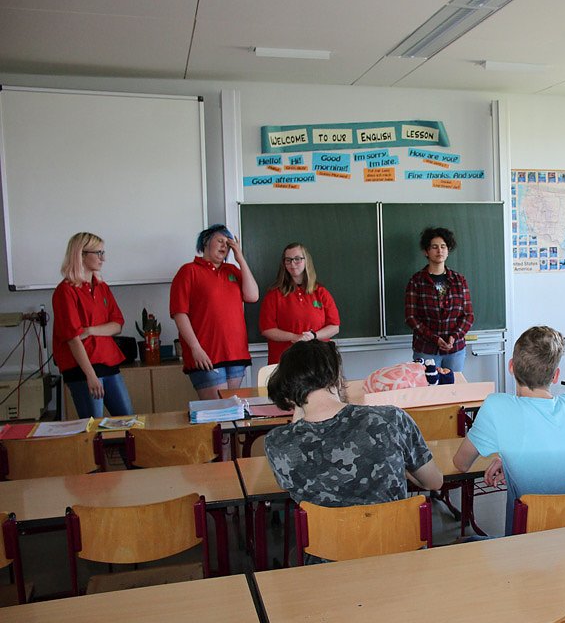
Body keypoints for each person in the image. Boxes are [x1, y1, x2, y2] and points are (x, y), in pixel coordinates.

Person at [264, 340, 443, 563]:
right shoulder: (391, 419)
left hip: (328, 563)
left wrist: (299, 410)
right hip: (397, 553)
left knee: (294, 555)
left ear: (288, 387)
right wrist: (401, 464)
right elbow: (434, 482)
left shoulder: (278, 443)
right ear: (337, 376)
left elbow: (291, 484)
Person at [453, 326, 565, 535]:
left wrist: (506, 456)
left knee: (466, 543)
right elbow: (547, 441)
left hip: (529, 542)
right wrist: (508, 458)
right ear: (555, 376)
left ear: (511, 367)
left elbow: (461, 463)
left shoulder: (496, 406)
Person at [170, 224, 259, 399]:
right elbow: (179, 314)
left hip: (235, 353)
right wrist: (195, 348)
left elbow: (252, 296)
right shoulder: (188, 271)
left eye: (228, 243)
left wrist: (240, 258)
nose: (224, 246)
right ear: (205, 242)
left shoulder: (232, 271)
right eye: (220, 241)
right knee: (217, 409)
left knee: (232, 409)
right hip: (206, 354)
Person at [52, 232, 134, 419]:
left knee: (127, 420)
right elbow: (73, 338)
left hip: (107, 363)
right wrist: (90, 375)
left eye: (102, 253)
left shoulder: (102, 287)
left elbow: (117, 325)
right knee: (92, 426)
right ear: (81, 254)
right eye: (98, 253)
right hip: (82, 368)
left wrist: (89, 330)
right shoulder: (65, 291)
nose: (103, 258)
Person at [404, 227, 473, 372]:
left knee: (454, 385)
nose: (439, 251)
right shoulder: (416, 281)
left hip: (455, 349)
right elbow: (411, 317)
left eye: (443, 246)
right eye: (434, 247)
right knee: (429, 386)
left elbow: (468, 315)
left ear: (448, 250)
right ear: (426, 251)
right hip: (426, 349)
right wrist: (435, 339)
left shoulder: (459, 280)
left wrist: (454, 336)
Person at [259, 243, 340, 365]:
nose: (292, 264)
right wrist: (295, 337)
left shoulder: (321, 292)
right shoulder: (274, 294)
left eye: (297, 259)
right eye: (288, 260)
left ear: (306, 260)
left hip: (318, 361)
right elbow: (267, 329)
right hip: (285, 362)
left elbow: (334, 327)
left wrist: (313, 336)